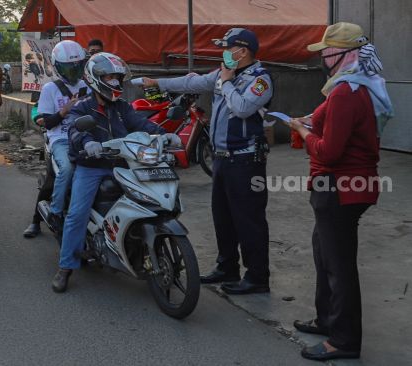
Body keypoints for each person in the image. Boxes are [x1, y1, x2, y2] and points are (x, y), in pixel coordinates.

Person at [289, 22, 393, 362]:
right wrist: (306, 121)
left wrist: (304, 135)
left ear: (347, 54)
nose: (323, 56)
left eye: (327, 51)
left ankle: (344, 340)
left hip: (342, 187)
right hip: (338, 186)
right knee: (325, 256)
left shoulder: (347, 91)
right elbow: (324, 118)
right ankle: (327, 320)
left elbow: (330, 152)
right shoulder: (350, 86)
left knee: (339, 265)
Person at [142, 28, 273, 295]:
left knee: (249, 220)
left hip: (246, 161)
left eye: (228, 48)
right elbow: (193, 83)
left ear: (243, 51)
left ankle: (258, 277)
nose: (223, 53)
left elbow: (244, 108)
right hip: (223, 160)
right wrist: (158, 83)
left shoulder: (260, 80)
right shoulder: (224, 73)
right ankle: (227, 267)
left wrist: (225, 83)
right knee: (222, 217)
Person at [51, 52, 180, 293]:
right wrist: (88, 143)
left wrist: (163, 135)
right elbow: (76, 132)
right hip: (92, 167)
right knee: (77, 214)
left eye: (117, 78)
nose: (115, 82)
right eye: (110, 77)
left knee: (148, 199)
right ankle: (66, 266)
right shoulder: (82, 107)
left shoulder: (122, 107)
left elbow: (142, 125)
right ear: (96, 78)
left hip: (123, 163)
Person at [22, 40, 87, 238]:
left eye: (77, 67)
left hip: (86, 138)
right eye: (69, 67)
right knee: (61, 174)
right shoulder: (50, 89)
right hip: (60, 140)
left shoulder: (89, 85)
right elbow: (46, 122)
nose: (73, 72)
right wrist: (64, 111)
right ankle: (49, 216)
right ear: (58, 66)